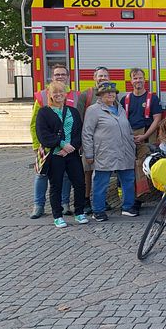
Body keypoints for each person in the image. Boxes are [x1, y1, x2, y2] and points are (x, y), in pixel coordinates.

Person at [34, 81, 88, 228]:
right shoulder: (44, 112)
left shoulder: (73, 111)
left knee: (79, 183)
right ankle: (57, 216)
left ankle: (79, 212)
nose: (58, 95)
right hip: (55, 155)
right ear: (49, 95)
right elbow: (43, 135)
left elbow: (79, 132)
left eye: (61, 92)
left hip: (72, 154)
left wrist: (72, 147)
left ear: (66, 94)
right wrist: (62, 145)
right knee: (56, 186)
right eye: (55, 92)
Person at [29, 65, 78, 219]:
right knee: (41, 175)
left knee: (64, 177)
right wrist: (37, 146)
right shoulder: (42, 96)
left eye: (63, 74)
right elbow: (34, 124)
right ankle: (38, 206)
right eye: (57, 74)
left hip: (67, 147)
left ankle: (64, 204)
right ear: (52, 77)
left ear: (68, 77)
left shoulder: (76, 95)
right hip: (46, 146)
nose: (60, 77)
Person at [82, 81, 137, 221]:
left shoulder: (120, 109)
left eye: (113, 92)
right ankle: (98, 211)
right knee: (101, 183)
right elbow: (87, 133)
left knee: (128, 180)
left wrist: (132, 145)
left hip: (125, 152)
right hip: (105, 152)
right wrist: (88, 153)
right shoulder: (93, 110)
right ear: (100, 95)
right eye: (107, 92)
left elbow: (128, 129)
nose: (111, 94)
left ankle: (128, 207)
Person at [121, 68, 162, 207]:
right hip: (128, 136)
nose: (138, 80)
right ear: (131, 80)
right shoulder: (125, 99)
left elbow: (157, 119)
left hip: (146, 136)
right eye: (135, 78)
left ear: (145, 79)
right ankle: (130, 198)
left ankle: (138, 198)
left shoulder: (152, 98)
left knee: (141, 165)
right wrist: (128, 136)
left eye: (140, 78)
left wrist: (145, 135)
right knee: (128, 167)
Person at [80, 66, 110, 214]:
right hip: (90, 141)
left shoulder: (112, 95)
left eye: (105, 76)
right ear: (94, 78)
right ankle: (85, 200)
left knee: (103, 171)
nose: (103, 78)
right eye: (100, 76)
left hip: (106, 142)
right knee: (87, 171)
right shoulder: (86, 95)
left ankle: (101, 199)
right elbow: (79, 119)